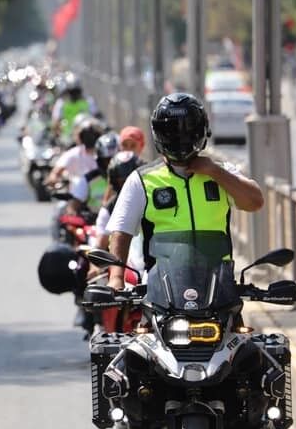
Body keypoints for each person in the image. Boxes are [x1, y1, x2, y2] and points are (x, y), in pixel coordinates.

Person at [105, 93, 264, 291]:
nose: (179, 136)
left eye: (187, 130)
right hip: (159, 291)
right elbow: (121, 230)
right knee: (141, 324)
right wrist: (116, 278)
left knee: (243, 325)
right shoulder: (141, 179)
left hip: (218, 289)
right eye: (171, 130)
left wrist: (214, 171)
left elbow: (255, 201)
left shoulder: (220, 172)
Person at [67, 132, 119, 215]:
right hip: (94, 225)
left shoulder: (132, 180)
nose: (111, 164)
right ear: (100, 161)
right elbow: (72, 208)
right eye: (107, 160)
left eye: (115, 160)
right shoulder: (88, 180)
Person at [45, 117, 104, 189]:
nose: (90, 138)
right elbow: (56, 172)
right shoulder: (73, 154)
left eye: (93, 134)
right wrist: (54, 179)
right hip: (78, 195)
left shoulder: (104, 153)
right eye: (87, 135)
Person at [52, 73, 98, 141]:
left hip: (86, 138)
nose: (74, 94)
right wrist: (57, 136)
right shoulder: (61, 103)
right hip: (68, 139)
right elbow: (56, 122)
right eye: (72, 92)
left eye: (76, 91)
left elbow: (96, 117)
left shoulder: (88, 101)